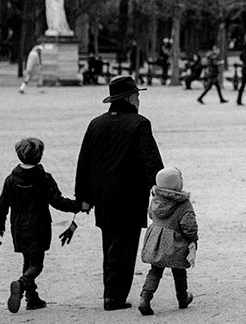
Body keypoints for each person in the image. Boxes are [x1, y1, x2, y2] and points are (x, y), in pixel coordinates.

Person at [74, 76, 164, 311]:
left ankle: (110, 293)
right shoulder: (139, 123)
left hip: (102, 195)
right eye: (137, 95)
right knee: (125, 246)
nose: (139, 99)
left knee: (110, 244)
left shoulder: (96, 124)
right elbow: (150, 160)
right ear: (131, 98)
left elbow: (84, 162)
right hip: (130, 194)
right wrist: (160, 187)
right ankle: (114, 297)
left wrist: (83, 196)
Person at [0, 137, 82, 313]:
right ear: (39, 156)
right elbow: (58, 202)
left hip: (18, 227)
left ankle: (32, 298)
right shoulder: (44, 178)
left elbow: (2, 205)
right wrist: (78, 206)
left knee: (27, 259)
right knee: (37, 265)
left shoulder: (11, 179)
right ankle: (22, 283)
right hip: (38, 227)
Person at [137, 167, 198, 316]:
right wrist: (193, 240)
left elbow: (151, 214)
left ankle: (145, 298)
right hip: (175, 243)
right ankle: (182, 299)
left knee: (155, 270)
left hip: (156, 240)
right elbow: (188, 226)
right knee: (179, 272)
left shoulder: (156, 199)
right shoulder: (183, 204)